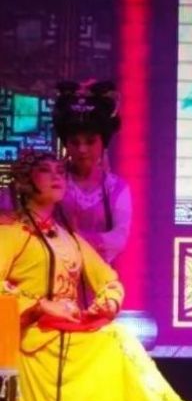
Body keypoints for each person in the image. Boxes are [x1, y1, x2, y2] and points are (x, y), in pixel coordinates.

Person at [0, 150, 192, 401]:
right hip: (34, 338)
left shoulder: (68, 236)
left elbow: (108, 279)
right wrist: (41, 305)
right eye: (46, 170)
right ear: (25, 180)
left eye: (60, 171)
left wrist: (108, 302)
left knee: (119, 339)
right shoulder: (11, 233)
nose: (57, 176)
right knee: (116, 341)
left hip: (67, 331)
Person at [52, 80, 131, 264]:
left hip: (99, 273)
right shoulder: (53, 181)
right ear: (66, 144)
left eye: (90, 141)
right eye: (75, 142)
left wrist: (78, 238)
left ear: (103, 143)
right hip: (54, 269)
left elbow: (120, 237)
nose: (82, 149)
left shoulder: (116, 188)